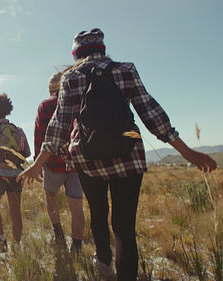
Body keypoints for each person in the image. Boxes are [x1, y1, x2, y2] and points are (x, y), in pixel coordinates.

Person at [17, 28, 217, 281]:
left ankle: (103, 265)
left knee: (98, 214)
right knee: (124, 229)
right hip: (128, 157)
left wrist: (37, 165)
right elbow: (151, 113)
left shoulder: (70, 78)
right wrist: (188, 153)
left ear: (76, 54)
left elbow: (59, 126)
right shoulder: (125, 70)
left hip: (88, 161)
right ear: (102, 50)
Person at [34, 71, 85, 255]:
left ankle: (59, 234)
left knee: (50, 197)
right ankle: (77, 248)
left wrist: (37, 164)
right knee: (77, 207)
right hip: (76, 164)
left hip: (52, 163)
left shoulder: (45, 106)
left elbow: (39, 137)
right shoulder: (78, 102)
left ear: (50, 88)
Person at [0, 92, 31, 251]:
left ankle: (1, 240)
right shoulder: (19, 130)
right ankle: (17, 245)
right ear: (7, 109)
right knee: (16, 210)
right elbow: (27, 153)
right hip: (16, 175)